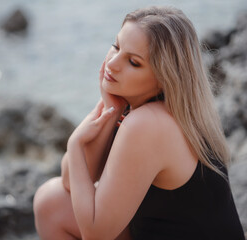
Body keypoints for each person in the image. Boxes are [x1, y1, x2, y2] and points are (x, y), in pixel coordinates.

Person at [33, 6, 245, 240]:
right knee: (51, 203)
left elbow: (95, 234)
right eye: (116, 46)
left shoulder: (148, 124)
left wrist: (75, 144)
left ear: (164, 79)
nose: (113, 64)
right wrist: (111, 111)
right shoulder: (155, 107)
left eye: (133, 62)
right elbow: (69, 182)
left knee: (50, 202)